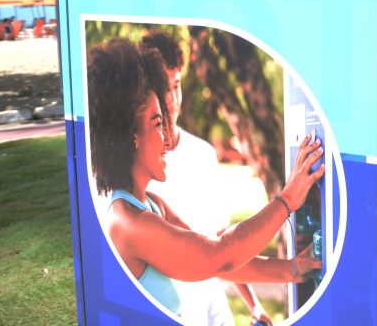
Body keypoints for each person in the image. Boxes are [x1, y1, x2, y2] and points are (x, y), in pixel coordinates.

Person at [87, 37, 324, 319]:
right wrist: (287, 200)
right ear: (132, 136)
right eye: (157, 123)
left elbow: (216, 253)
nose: (166, 138)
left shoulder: (151, 205)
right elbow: (220, 256)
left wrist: (291, 269)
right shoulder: (129, 223)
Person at [139, 31, 278, 326]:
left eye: (176, 85)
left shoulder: (203, 154)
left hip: (215, 315)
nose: (172, 99)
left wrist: (253, 305)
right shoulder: (136, 167)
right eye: (163, 87)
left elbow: (223, 240)